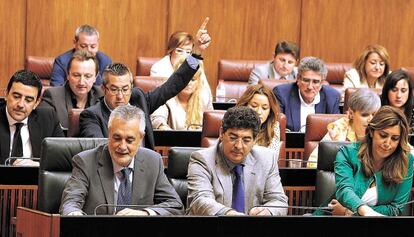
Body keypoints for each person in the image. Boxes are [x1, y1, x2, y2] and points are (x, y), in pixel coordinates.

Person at [79, 17, 212, 150]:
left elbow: (173, 85)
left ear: (131, 88)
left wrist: (196, 53)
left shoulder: (139, 100)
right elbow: (98, 151)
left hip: (146, 166)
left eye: (125, 89)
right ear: (104, 89)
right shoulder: (92, 115)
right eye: (114, 89)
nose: (120, 96)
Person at [60, 105, 183, 215]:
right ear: (109, 134)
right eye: (117, 138)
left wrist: (145, 213)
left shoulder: (153, 161)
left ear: (141, 138)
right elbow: (70, 203)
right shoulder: (85, 162)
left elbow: (175, 205)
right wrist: (75, 216)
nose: (122, 146)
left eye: (129, 140)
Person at [187, 106, 288, 216]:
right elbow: (201, 200)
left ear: (254, 140)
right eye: (233, 138)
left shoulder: (267, 159)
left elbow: (279, 201)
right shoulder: (202, 159)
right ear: (221, 133)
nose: (239, 146)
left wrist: (267, 212)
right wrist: (231, 215)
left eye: (246, 140)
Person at [326, 106, 414, 216]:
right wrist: (363, 211)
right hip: (335, 222)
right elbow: (344, 190)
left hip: (380, 227)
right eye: (383, 135)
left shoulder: (407, 161)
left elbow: (396, 209)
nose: (387, 143)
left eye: (394, 138)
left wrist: (349, 212)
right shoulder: (347, 153)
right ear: (372, 132)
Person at [0, 70, 64, 166]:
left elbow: (63, 158)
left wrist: (38, 165)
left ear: (36, 103)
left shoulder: (48, 118)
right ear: (6, 94)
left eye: (28, 100)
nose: (21, 104)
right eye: (16, 96)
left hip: (35, 180)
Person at [307, 89, 381, 168]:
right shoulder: (338, 129)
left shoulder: (382, 130)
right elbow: (312, 163)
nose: (371, 119)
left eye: (374, 114)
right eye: (364, 115)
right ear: (351, 113)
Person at [273, 56, 340, 132]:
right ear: (298, 79)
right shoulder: (281, 94)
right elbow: (277, 130)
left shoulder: (332, 97)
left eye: (315, 82)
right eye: (306, 80)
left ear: (322, 83)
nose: (310, 87)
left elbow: (336, 132)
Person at [41, 50, 103, 129]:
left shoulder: (102, 96)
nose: (81, 82)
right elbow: (44, 129)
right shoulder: (52, 96)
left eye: (87, 76)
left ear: (95, 77)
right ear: (68, 75)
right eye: (76, 75)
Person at [150, 31, 212, 106]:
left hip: (194, 108)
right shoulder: (158, 68)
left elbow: (205, 93)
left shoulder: (195, 66)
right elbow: (162, 96)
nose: (184, 55)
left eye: (188, 52)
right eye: (179, 51)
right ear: (170, 51)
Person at [151, 58, 213, 130]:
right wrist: (163, 127)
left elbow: (211, 124)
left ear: (198, 81)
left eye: (193, 80)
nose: (188, 83)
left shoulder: (204, 97)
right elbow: (158, 119)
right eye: (185, 80)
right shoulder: (166, 96)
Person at [236, 84, 281, 156]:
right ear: (244, 106)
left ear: (270, 111)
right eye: (254, 106)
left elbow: (271, 158)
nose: (259, 112)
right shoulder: (233, 123)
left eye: (264, 108)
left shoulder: (274, 126)